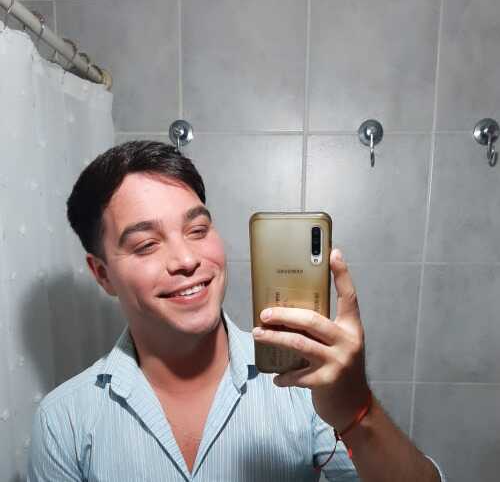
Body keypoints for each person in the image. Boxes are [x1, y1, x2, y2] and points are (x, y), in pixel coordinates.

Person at [28, 140, 445, 481]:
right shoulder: (64, 421)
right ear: (102, 274)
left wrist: (358, 410)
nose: (186, 259)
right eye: (146, 244)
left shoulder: (304, 384)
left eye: (197, 229)